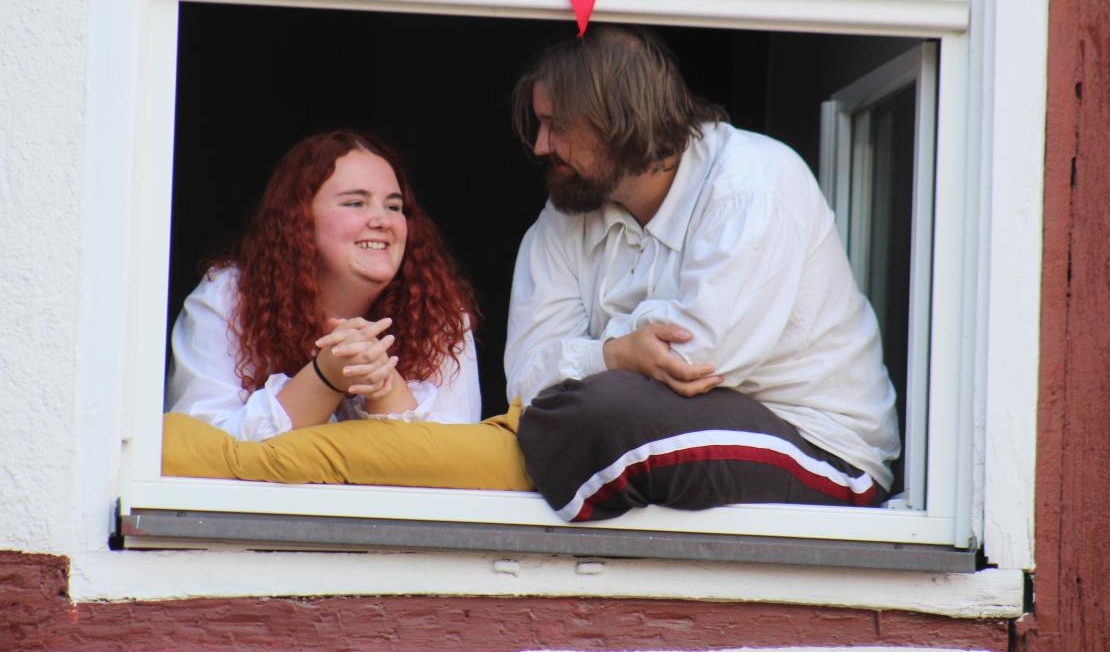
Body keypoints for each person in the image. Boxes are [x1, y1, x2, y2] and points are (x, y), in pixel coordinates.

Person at [504, 26, 901, 522]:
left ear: (618, 121)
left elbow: (697, 357)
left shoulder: (752, 179)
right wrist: (618, 352)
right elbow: (525, 385)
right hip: (676, 424)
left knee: (599, 416)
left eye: (555, 125)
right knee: (568, 420)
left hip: (823, 451)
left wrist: (591, 363)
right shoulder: (563, 217)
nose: (541, 145)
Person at [167, 130, 481, 441]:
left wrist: (384, 385)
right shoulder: (231, 295)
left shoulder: (439, 312)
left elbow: (456, 460)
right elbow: (201, 447)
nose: (382, 220)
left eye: (394, 206)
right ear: (300, 219)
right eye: (356, 203)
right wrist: (325, 378)